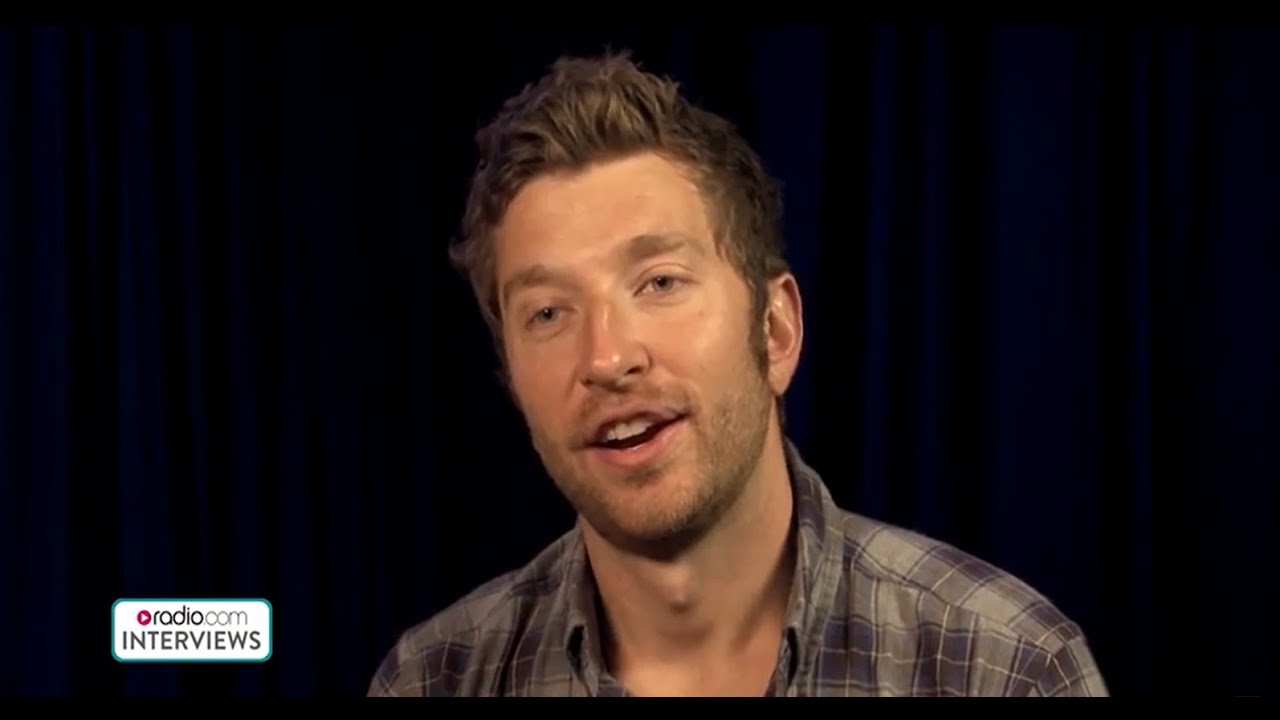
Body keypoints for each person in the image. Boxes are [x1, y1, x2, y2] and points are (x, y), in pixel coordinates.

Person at [367, 50, 1109, 697]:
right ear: (511, 381)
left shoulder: (1001, 668)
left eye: (659, 282)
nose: (607, 358)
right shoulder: (434, 680)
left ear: (775, 331)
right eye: (549, 313)